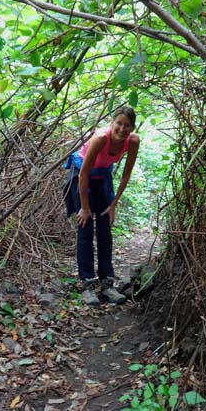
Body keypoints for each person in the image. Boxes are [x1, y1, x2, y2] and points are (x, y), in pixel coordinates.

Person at [63, 107, 140, 306]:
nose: (122, 129)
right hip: (81, 176)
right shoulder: (100, 138)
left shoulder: (132, 141)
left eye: (127, 125)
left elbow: (125, 175)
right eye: (119, 123)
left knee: (105, 230)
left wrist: (113, 205)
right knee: (85, 228)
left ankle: (107, 284)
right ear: (112, 123)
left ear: (132, 128)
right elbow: (83, 175)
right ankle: (87, 284)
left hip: (102, 177)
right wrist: (85, 207)